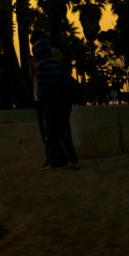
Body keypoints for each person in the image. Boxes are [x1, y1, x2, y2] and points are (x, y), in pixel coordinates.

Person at [33, 36, 79, 169]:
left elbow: (42, 87)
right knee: (65, 131)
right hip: (63, 100)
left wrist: (42, 100)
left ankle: (52, 162)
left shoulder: (40, 66)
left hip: (50, 101)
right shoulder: (57, 63)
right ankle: (73, 160)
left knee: (51, 133)